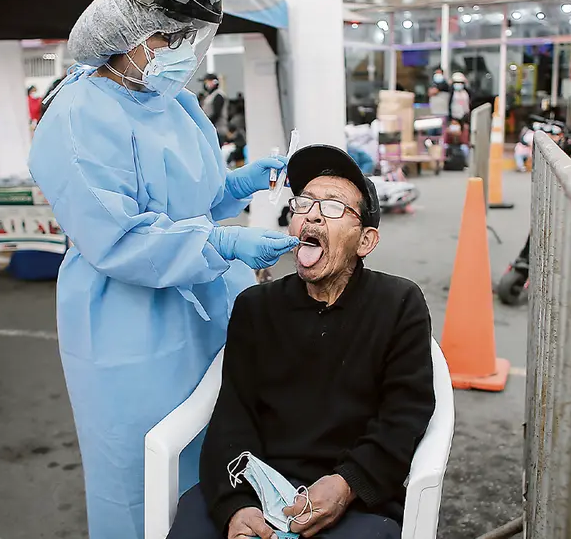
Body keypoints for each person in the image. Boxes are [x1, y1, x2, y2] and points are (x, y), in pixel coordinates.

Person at [27, 0, 300, 539]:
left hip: (205, 306)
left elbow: (191, 201)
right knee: (141, 474)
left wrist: (243, 183)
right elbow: (121, 237)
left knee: (218, 455)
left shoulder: (170, 99)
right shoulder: (76, 116)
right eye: (169, 35)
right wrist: (223, 242)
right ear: (121, 31)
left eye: (189, 36)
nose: (184, 50)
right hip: (128, 323)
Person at [167, 144, 436, 539]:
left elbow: (404, 415)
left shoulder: (398, 304)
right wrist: (235, 506)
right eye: (304, 202)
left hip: (355, 498)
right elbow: (232, 415)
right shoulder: (256, 307)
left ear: (365, 241)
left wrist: (346, 485)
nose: (311, 213)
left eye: (332, 207)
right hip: (259, 491)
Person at [202, 72, 228, 143]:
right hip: (211, 130)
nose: (205, 84)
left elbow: (216, 114)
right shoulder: (209, 96)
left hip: (217, 130)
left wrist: (206, 123)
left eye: (207, 82)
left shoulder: (218, 96)